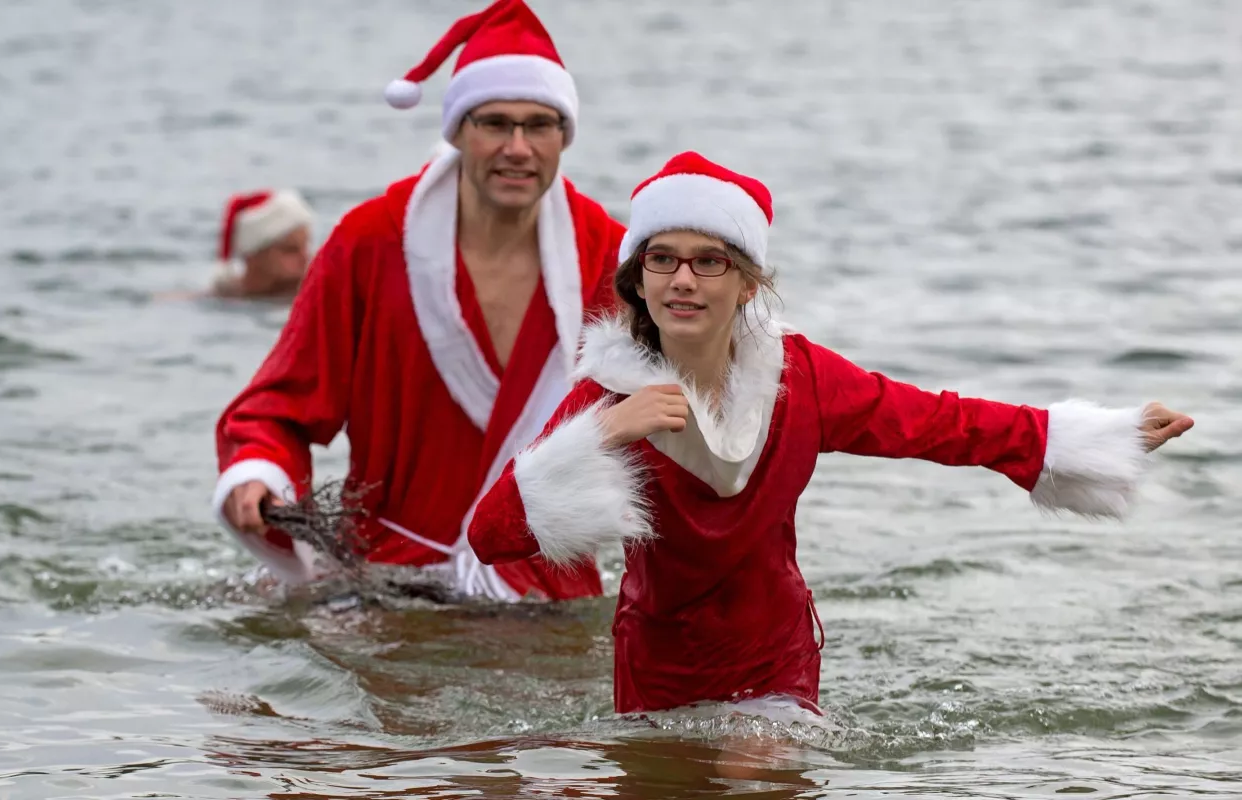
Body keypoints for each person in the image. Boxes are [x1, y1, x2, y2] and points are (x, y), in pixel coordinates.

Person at [467, 151, 1195, 716]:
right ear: (639, 280)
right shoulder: (608, 399)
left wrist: (1095, 438)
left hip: (773, 653)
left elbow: (937, 422)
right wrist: (603, 433)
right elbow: (492, 536)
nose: (682, 279)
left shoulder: (802, 379)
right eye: (662, 259)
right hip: (658, 665)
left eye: (708, 260)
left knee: (758, 775)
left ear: (747, 283)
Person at [211, 0, 627, 602]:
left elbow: (666, 408)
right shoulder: (372, 240)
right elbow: (282, 401)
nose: (518, 147)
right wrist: (258, 472)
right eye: (494, 123)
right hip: (389, 573)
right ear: (456, 129)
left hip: (545, 583)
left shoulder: (607, 251)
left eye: (540, 125)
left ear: (565, 135)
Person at [211, 189, 314, 299]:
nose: (306, 258)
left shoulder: (311, 294)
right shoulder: (218, 301)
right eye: (290, 250)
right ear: (254, 255)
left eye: (306, 247)